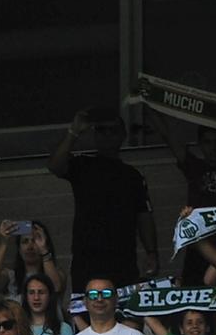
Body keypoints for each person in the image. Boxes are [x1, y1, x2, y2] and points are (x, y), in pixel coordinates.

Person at [49, 108, 157, 286]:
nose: (107, 135)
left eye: (113, 130)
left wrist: (151, 252)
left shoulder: (133, 176)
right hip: (87, 257)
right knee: (84, 309)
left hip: (123, 258)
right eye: (101, 130)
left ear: (123, 135)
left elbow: (144, 215)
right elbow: (54, 166)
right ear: (94, 135)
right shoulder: (83, 165)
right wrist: (74, 131)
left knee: (122, 310)